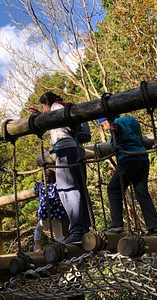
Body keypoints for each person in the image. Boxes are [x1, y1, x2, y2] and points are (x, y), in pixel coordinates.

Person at [29, 92, 90, 244]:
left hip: (65, 149)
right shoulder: (65, 106)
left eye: (43, 107)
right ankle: (85, 228)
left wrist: (41, 116)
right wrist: (40, 115)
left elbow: (54, 121)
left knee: (66, 189)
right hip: (77, 150)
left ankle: (76, 230)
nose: (43, 111)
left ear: (47, 103)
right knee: (80, 189)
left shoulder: (56, 106)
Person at [98, 116, 157, 235]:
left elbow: (120, 129)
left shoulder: (116, 124)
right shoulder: (131, 120)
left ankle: (117, 224)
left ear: (106, 120)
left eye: (102, 124)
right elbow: (134, 135)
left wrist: (115, 128)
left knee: (113, 188)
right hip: (142, 158)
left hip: (129, 159)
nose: (104, 127)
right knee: (141, 192)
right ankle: (155, 225)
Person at [33, 169, 67, 252]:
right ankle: (62, 248)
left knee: (38, 229)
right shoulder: (56, 186)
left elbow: (35, 189)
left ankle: (37, 244)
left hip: (44, 215)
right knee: (59, 234)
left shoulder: (40, 186)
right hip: (55, 215)